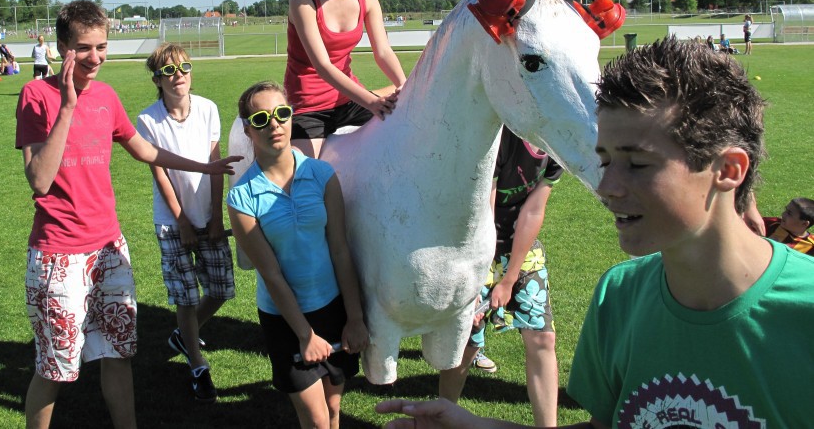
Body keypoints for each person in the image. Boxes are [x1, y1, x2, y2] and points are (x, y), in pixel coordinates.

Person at [377, 38, 813, 428]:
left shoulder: (802, 313)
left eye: (637, 163)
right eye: (605, 161)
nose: (606, 188)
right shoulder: (619, 295)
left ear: (728, 170)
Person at [16, 0, 241, 429]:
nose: (95, 57)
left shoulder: (106, 96)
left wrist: (205, 166)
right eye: (84, 48)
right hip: (58, 255)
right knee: (55, 367)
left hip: (110, 249)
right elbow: (40, 181)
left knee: (118, 353)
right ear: (62, 47)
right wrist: (67, 107)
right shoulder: (37, 96)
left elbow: (144, 149)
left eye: (102, 47)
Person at [227, 80, 369, 429]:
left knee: (334, 410)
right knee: (317, 421)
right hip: (285, 319)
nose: (274, 124)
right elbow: (271, 273)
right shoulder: (242, 197)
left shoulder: (321, 175)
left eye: (281, 113)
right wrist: (305, 334)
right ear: (248, 130)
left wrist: (354, 317)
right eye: (261, 119)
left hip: (332, 308)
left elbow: (340, 249)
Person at [437, 127, 562, 427]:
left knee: (543, 337)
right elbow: (485, 210)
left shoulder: (557, 145)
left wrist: (509, 279)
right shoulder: (502, 138)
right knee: (466, 341)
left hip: (522, 246)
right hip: (477, 245)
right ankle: (441, 418)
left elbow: (534, 211)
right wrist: (480, 279)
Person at [136, 43, 235, 402]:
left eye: (184, 68)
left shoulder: (207, 108)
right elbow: (160, 174)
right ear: (157, 80)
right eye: (168, 71)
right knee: (186, 297)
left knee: (221, 290)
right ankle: (197, 365)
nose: (178, 76)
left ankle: (184, 334)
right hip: (172, 222)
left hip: (208, 217)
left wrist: (215, 217)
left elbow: (215, 166)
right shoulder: (148, 120)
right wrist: (181, 222)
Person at [285, 0, 406, 157]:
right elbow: (322, 65)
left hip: (350, 100)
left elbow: (383, 52)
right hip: (308, 106)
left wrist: (405, 86)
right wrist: (371, 102)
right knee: (304, 175)